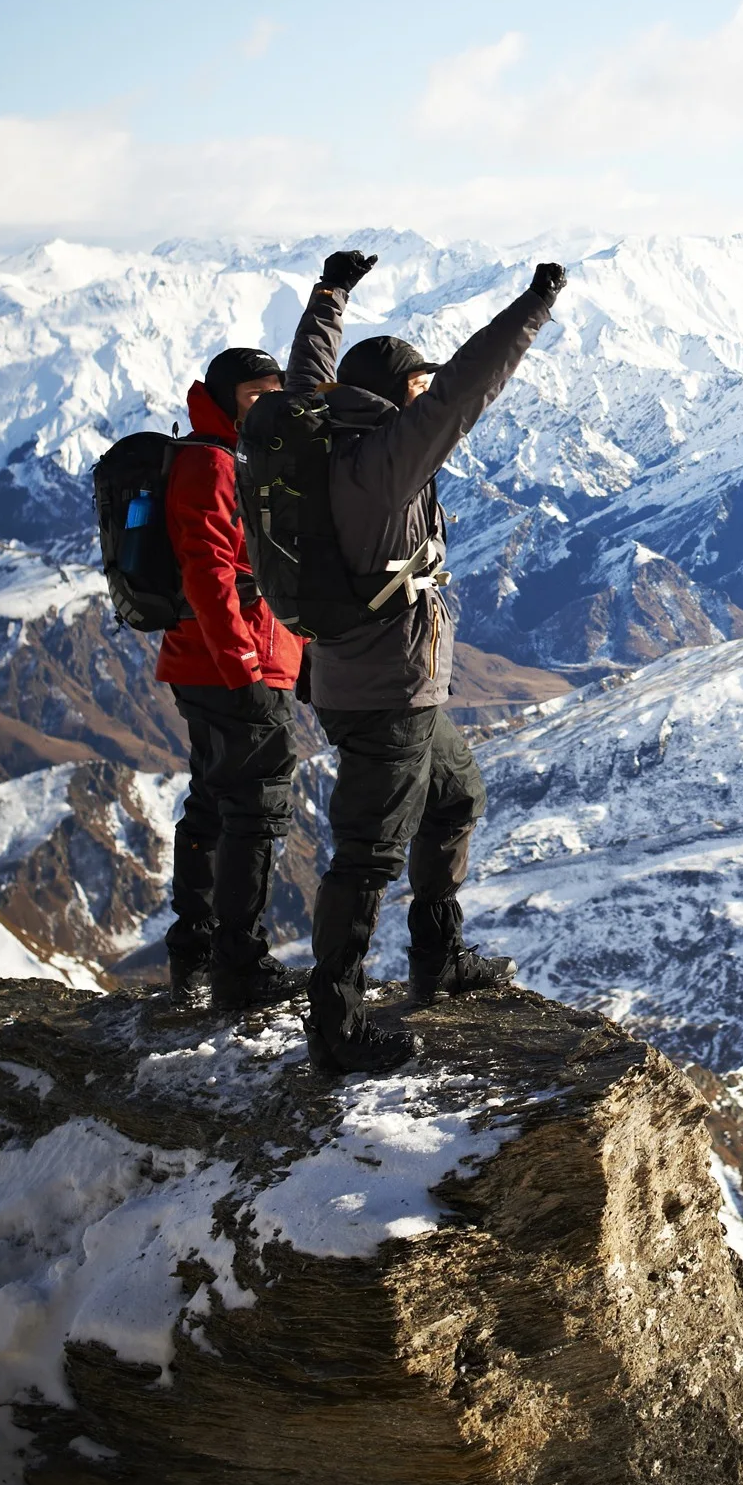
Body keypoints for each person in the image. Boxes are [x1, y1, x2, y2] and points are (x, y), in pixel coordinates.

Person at [286, 245, 566, 1073]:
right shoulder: (385, 460)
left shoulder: (318, 435)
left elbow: (308, 374)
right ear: (396, 394)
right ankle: (335, 1028)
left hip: (371, 680)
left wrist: (330, 295)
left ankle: (438, 961)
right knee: (367, 855)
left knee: (455, 796)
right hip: (386, 692)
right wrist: (535, 305)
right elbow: (466, 387)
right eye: (413, 386)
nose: (422, 399)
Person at [157, 345, 303, 1013]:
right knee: (253, 808)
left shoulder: (240, 455)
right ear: (224, 398)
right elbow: (209, 571)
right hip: (230, 664)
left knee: (217, 805)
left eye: (272, 393)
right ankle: (239, 966)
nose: (265, 403)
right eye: (252, 395)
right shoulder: (209, 462)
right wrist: (243, 664)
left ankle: (196, 958)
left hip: (222, 659)